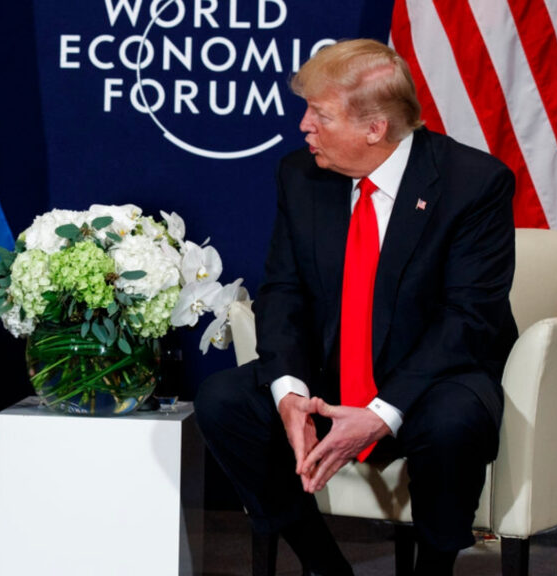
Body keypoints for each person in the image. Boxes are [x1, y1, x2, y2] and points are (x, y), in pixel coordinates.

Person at [195, 39, 517, 576]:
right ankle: (325, 566)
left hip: (434, 376)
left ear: (375, 129)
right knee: (224, 399)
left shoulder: (473, 184)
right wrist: (290, 393)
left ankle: (434, 568)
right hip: (334, 370)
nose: (304, 126)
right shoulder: (302, 175)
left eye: (319, 114)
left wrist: (380, 413)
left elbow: (468, 318)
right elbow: (284, 291)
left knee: (453, 422)